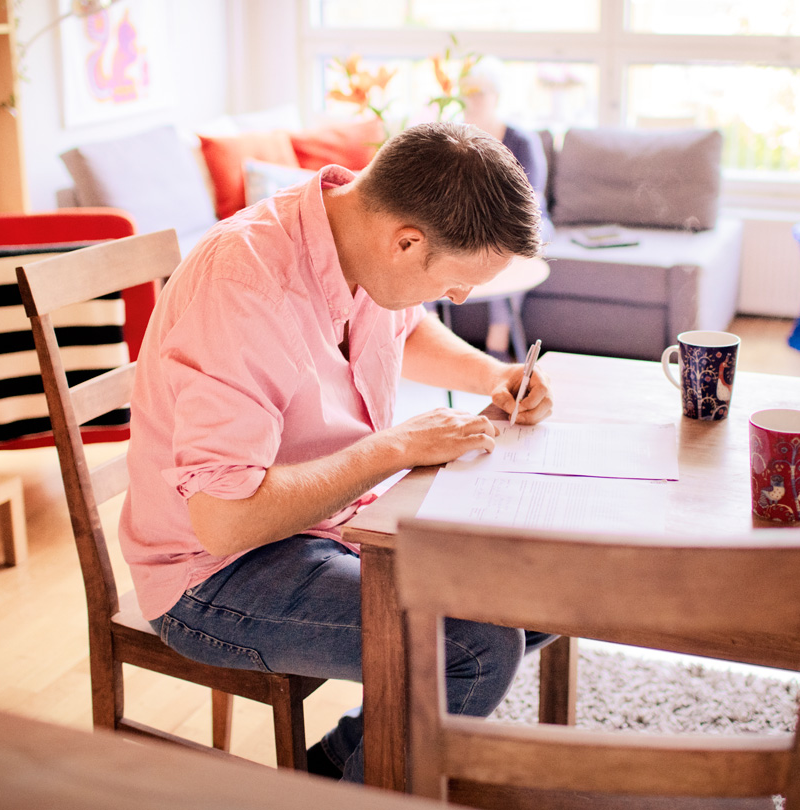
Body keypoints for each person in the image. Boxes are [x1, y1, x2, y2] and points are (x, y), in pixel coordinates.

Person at [119, 122, 554, 784]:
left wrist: (493, 375)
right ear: (406, 242)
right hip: (214, 575)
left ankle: (340, 768)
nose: (460, 297)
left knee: (540, 591)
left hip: (329, 525)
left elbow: (404, 327)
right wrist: (392, 449)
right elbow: (226, 521)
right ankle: (364, 782)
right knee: (476, 648)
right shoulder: (245, 286)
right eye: (456, 281)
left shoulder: (356, 237)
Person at [459, 57, 554, 358]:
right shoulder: (456, 140)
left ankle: (497, 342)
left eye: (480, 93)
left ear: (496, 96)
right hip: (473, 219)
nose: (473, 100)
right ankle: (430, 325)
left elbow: (531, 200)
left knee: (509, 246)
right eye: (468, 92)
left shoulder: (522, 140)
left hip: (522, 219)